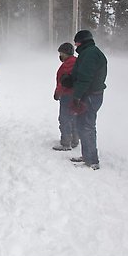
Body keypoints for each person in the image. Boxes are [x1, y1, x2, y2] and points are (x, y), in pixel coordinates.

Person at [69, 29, 107, 170]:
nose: (76, 45)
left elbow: (85, 78)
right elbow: (80, 74)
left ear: (82, 41)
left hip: (90, 96)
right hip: (90, 94)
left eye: (77, 42)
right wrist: (71, 80)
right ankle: (87, 156)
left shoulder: (90, 54)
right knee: (82, 126)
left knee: (87, 127)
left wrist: (77, 96)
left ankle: (92, 160)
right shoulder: (88, 52)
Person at [52, 42, 79, 151]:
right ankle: (75, 139)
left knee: (64, 118)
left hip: (67, 95)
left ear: (66, 53)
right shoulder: (77, 62)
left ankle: (66, 143)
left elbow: (62, 82)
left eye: (61, 53)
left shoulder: (68, 64)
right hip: (76, 95)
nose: (60, 55)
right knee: (74, 117)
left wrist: (57, 93)